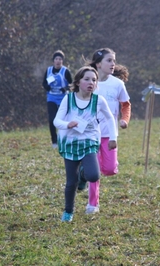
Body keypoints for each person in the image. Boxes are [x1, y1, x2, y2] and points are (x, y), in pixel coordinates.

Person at [53, 66, 117, 222]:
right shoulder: (69, 99)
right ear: (78, 81)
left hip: (89, 142)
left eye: (94, 80)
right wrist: (67, 125)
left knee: (93, 175)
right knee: (70, 183)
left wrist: (113, 137)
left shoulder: (98, 100)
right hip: (70, 143)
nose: (90, 82)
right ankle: (68, 211)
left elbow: (109, 118)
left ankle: (83, 176)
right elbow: (56, 120)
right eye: (87, 79)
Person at [78, 49, 131, 214]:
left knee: (109, 170)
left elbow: (126, 104)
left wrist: (124, 120)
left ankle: (84, 171)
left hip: (110, 134)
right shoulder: (90, 83)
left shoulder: (117, 84)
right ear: (99, 64)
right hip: (91, 134)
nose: (113, 64)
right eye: (109, 60)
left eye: (114, 61)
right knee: (95, 173)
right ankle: (92, 205)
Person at [42, 50, 73, 148]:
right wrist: (47, 87)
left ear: (62, 61)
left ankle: (64, 138)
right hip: (51, 98)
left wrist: (65, 88)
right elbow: (44, 83)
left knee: (63, 120)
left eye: (60, 59)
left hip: (63, 99)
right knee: (52, 119)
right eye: (56, 59)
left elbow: (72, 84)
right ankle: (54, 141)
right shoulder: (48, 70)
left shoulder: (65, 71)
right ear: (53, 61)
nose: (58, 61)